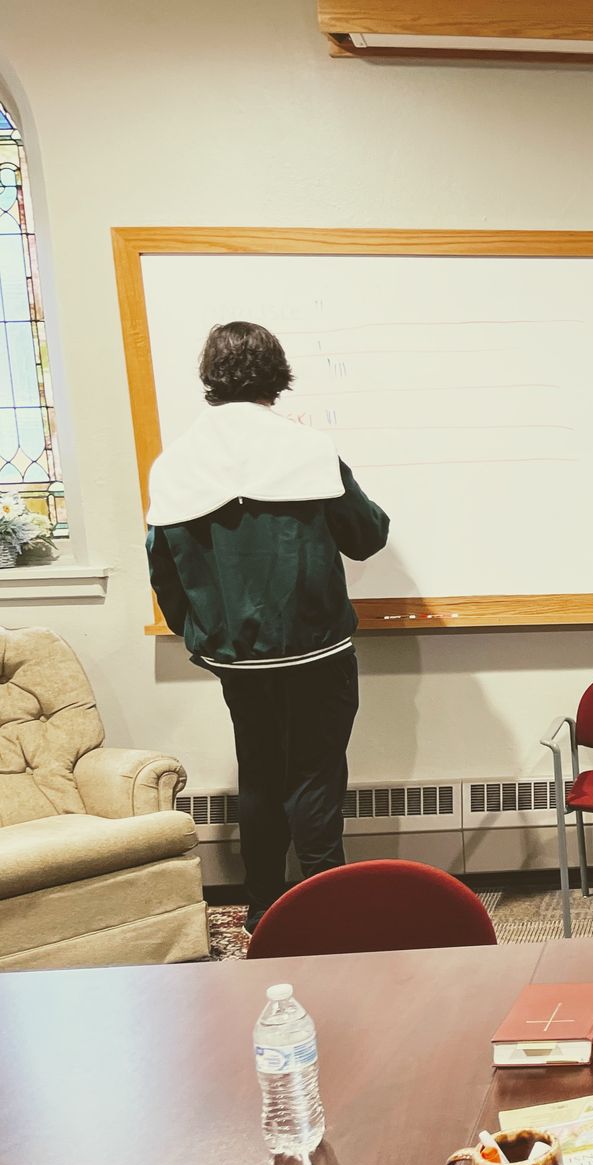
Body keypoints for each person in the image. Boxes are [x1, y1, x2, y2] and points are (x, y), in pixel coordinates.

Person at [146, 321, 390, 931]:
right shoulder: (307, 450)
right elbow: (367, 536)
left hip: (235, 659)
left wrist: (200, 636)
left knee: (257, 769)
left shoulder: (175, 463)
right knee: (316, 774)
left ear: (210, 377)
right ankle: (326, 904)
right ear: (277, 374)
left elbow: (164, 569)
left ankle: (261, 908)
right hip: (316, 650)